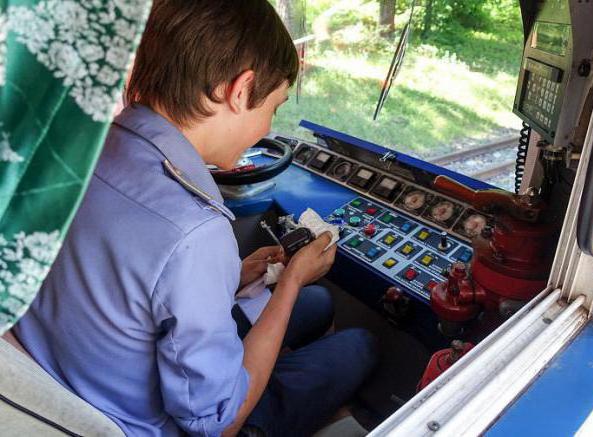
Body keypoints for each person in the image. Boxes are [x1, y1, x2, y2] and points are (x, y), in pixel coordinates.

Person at [13, 1, 376, 436]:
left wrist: (234, 275)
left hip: (65, 376)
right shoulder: (195, 230)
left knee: (316, 305)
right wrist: (293, 280)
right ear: (241, 91)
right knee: (359, 344)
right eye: (273, 107)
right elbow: (219, 423)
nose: (266, 128)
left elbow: (128, 285)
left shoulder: (83, 149)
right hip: (151, 424)